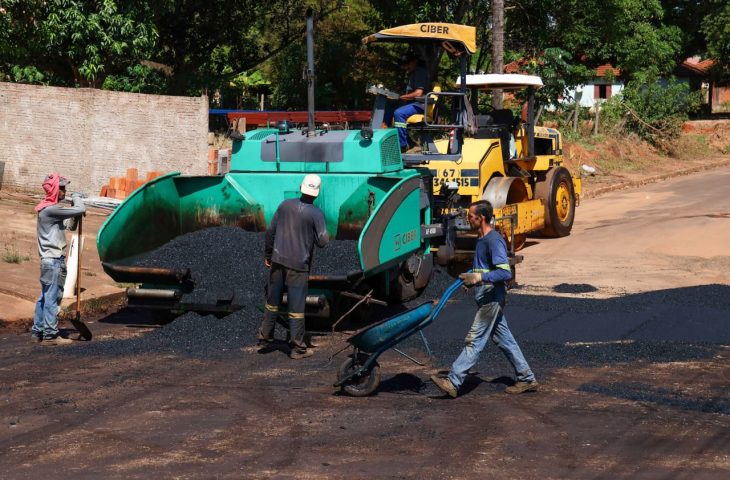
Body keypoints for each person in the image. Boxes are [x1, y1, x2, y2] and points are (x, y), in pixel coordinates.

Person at [431, 200, 538, 397]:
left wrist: (480, 278)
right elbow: (482, 268)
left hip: (492, 297)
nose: (467, 219)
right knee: (504, 339)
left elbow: (505, 273)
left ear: (480, 218)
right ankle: (527, 378)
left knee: (475, 339)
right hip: (484, 294)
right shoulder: (480, 239)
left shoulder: (493, 240)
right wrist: (471, 280)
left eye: (470, 216)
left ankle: (454, 381)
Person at [258, 174, 329, 359]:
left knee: (273, 301)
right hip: (298, 266)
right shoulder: (316, 213)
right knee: (296, 307)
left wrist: (268, 255)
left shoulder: (285, 205)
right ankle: (297, 348)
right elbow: (323, 241)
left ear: (300, 187)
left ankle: (265, 338)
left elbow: (270, 232)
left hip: (277, 260)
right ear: (317, 193)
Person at [32, 173, 86, 345]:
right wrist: (77, 199)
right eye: (62, 188)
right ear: (55, 189)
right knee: (52, 298)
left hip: (49, 261)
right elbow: (81, 209)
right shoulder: (51, 210)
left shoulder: (49, 209)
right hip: (53, 261)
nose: (65, 191)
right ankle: (50, 336)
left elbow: (69, 225)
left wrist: (75, 214)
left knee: (44, 297)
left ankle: (37, 332)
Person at [390, 52, 431, 153]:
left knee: (399, 113)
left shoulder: (420, 73)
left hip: (421, 104)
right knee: (389, 111)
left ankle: (402, 146)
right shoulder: (412, 74)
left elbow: (418, 93)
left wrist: (402, 97)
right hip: (414, 104)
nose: (405, 67)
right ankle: (411, 144)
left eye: (407, 63)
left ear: (415, 62)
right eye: (404, 64)